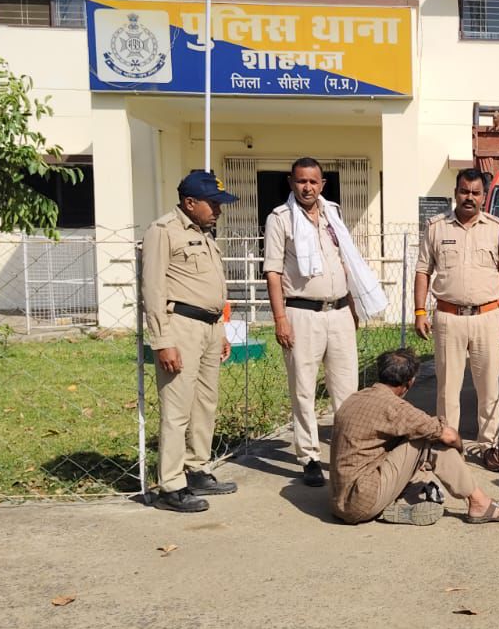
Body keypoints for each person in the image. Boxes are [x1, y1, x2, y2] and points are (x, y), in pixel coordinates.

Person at [328, 348, 499, 525]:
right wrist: (460, 450)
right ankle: (479, 503)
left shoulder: (354, 398)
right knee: (429, 438)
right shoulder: (395, 408)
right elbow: (448, 435)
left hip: (339, 500)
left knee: (408, 437)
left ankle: (397, 498)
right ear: (410, 382)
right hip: (364, 498)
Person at [141, 170, 240, 513]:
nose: (218, 210)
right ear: (190, 202)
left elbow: (211, 289)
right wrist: (162, 341)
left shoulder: (204, 234)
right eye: (213, 204)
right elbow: (153, 290)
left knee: (204, 404)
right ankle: (171, 484)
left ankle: (196, 468)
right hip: (180, 327)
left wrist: (221, 330)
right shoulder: (163, 231)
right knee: (177, 409)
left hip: (209, 327)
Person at [264, 157, 364, 486]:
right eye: (301, 181)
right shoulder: (280, 218)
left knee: (347, 389)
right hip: (302, 313)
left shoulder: (332, 213)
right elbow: (273, 272)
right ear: (291, 183)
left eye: (313, 181)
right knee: (304, 389)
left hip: (339, 312)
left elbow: (344, 262)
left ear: (322, 184)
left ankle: (347, 452)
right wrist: (280, 318)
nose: (307, 187)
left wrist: (352, 306)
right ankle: (309, 456)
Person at [414, 169, 499, 473]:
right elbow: (423, 271)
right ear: (455, 193)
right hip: (449, 318)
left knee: (488, 388)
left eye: (475, 193)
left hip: (487, 318)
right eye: (464, 191)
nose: (469, 198)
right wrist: (420, 311)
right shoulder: (436, 227)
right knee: (448, 389)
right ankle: (448, 446)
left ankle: (489, 446)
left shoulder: (497, 228)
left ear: (484, 196)